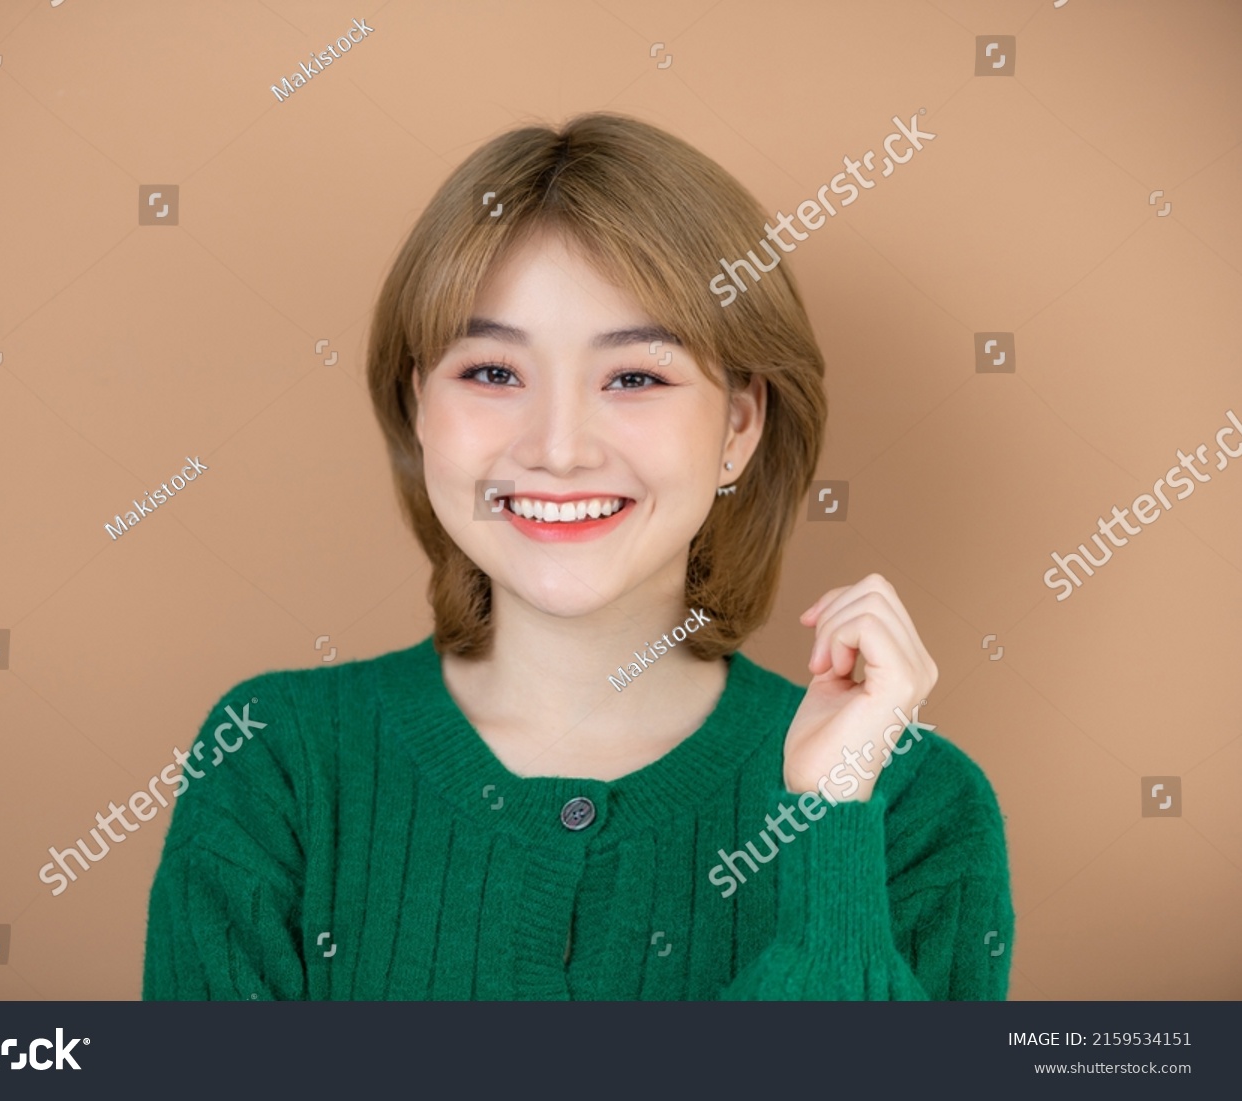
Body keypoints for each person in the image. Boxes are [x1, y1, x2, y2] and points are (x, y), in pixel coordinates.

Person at [144, 112, 1012, 1000]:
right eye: (492, 372)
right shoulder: (272, 761)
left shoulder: (914, 805)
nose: (558, 450)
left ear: (739, 426)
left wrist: (830, 821)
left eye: (635, 377)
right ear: (419, 406)